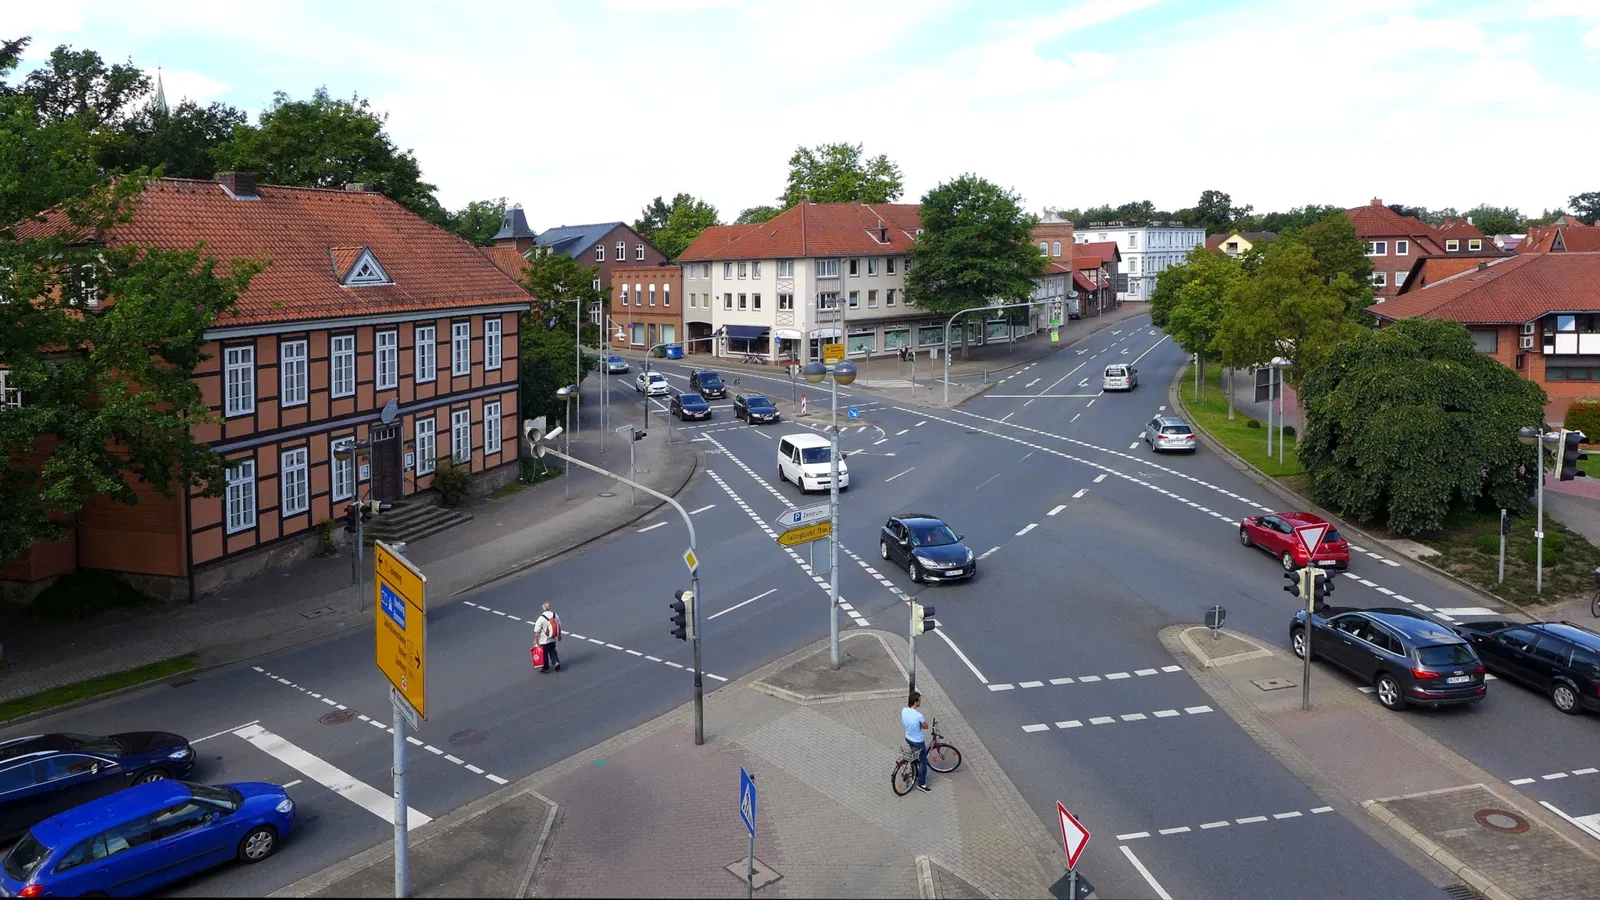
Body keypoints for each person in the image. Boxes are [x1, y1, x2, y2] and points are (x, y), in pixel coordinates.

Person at [902, 690, 930, 793]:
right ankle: (922, 784)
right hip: (918, 741)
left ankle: (915, 771)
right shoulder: (918, 715)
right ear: (915, 702)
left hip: (908, 737)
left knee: (914, 755)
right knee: (923, 761)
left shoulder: (904, 710)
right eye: (919, 701)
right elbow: (926, 726)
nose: (920, 702)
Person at [534, 602, 562, 673]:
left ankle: (545, 668)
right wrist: (559, 635)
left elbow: (537, 632)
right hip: (553, 638)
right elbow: (559, 625)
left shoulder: (541, 618)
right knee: (552, 650)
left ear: (543, 608)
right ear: (550, 607)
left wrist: (536, 641)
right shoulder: (555, 615)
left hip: (544, 640)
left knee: (544, 654)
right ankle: (556, 662)